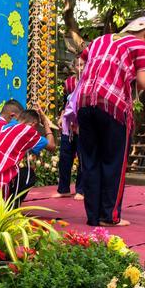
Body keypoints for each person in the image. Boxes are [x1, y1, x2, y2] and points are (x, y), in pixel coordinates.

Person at [75, 16, 145, 227]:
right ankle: (109, 216)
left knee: (90, 162)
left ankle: (93, 217)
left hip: (84, 102)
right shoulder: (140, 45)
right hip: (112, 103)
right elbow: (144, 82)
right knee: (113, 161)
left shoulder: (99, 40)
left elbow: (81, 62)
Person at [53, 58, 85, 200]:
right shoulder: (69, 83)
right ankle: (63, 189)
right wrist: (61, 117)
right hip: (69, 125)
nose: (80, 68)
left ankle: (81, 190)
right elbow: (65, 103)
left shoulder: (90, 82)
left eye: (82, 65)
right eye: (77, 65)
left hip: (83, 125)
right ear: (73, 67)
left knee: (83, 157)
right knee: (65, 157)